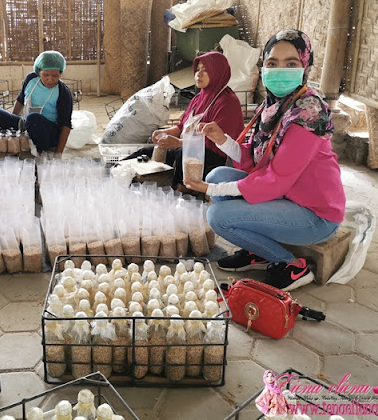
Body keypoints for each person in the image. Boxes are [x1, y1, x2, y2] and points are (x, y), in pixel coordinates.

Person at [184, 29, 345, 292]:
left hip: (314, 213)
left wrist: (209, 191)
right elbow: (257, 157)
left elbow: (276, 180)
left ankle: (290, 265)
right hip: (287, 196)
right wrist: (223, 139)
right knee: (217, 175)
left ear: (305, 66)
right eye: (272, 63)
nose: (280, 70)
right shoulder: (273, 104)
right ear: (264, 66)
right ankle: (256, 251)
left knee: (218, 216)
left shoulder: (308, 113)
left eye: (290, 63)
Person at [125, 51, 243, 190]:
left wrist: (179, 144)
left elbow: (216, 145)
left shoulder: (227, 102)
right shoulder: (198, 98)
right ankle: (118, 175)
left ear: (218, 72)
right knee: (145, 153)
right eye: (197, 69)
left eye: (205, 70)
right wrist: (164, 133)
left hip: (212, 158)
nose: (198, 74)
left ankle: (181, 192)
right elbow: (182, 127)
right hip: (184, 148)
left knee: (181, 154)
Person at [0, 50, 73, 155]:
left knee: (33, 118)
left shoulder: (63, 92)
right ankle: (3, 146)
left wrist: (58, 154)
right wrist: (12, 122)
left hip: (47, 132)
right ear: (39, 71)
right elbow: (20, 100)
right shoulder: (31, 80)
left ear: (61, 73)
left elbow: (66, 125)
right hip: (27, 125)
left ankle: (38, 151)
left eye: (55, 76)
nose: (50, 79)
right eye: (45, 75)